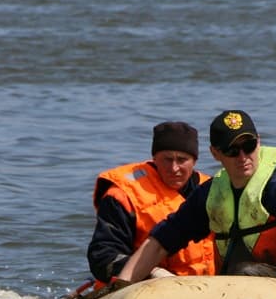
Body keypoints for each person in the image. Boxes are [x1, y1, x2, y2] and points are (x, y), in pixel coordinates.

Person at [117, 110, 276, 288]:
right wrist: (122, 284)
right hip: (242, 287)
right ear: (215, 154)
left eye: (249, 145)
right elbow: (161, 240)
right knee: (237, 275)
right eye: (232, 151)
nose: (243, 156)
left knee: (244, 272)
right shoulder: (210, 194)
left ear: (259, 141)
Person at [87, 121, 216, 284]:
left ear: (194, 161)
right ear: (154, 158)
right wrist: (152, 272)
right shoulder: (123, 194)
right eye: (167, 160)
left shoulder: (212, 191)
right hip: (143, 287)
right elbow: (102, 257)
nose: (174, 168)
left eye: (182, 160)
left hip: (206, 287)